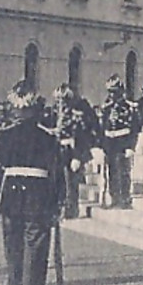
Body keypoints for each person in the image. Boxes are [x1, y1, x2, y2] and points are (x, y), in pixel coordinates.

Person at [0, 82, 63, 285]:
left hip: (11, 195)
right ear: (35, 109)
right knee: (36, 244)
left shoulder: (3, 137)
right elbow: (55, 172)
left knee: (13, 245)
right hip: (38, 195)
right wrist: (58, 201)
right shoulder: (48, 138)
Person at [49, 84, 97, 220]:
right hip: (57, 150)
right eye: (57, 100)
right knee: (58, 181)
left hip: (71, 151)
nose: (59, 104)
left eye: (62, 100)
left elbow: (81, 137)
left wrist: (77, 157)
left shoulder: (76, 116)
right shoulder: (54, 114)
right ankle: (60, 207)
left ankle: (71, 209)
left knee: (70, 182)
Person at [98, 75, 137, 209]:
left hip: (123, 143)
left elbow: (134, 129)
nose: (111, 95)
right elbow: (103, 127)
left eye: (114, 91)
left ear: (121, 91)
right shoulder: (107, 108)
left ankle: (125, 199)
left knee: (123, 172)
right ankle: (114, 198)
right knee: (112, 172)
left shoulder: (129, 107)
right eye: (110, 91)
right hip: (110, 143)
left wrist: (131, 146)